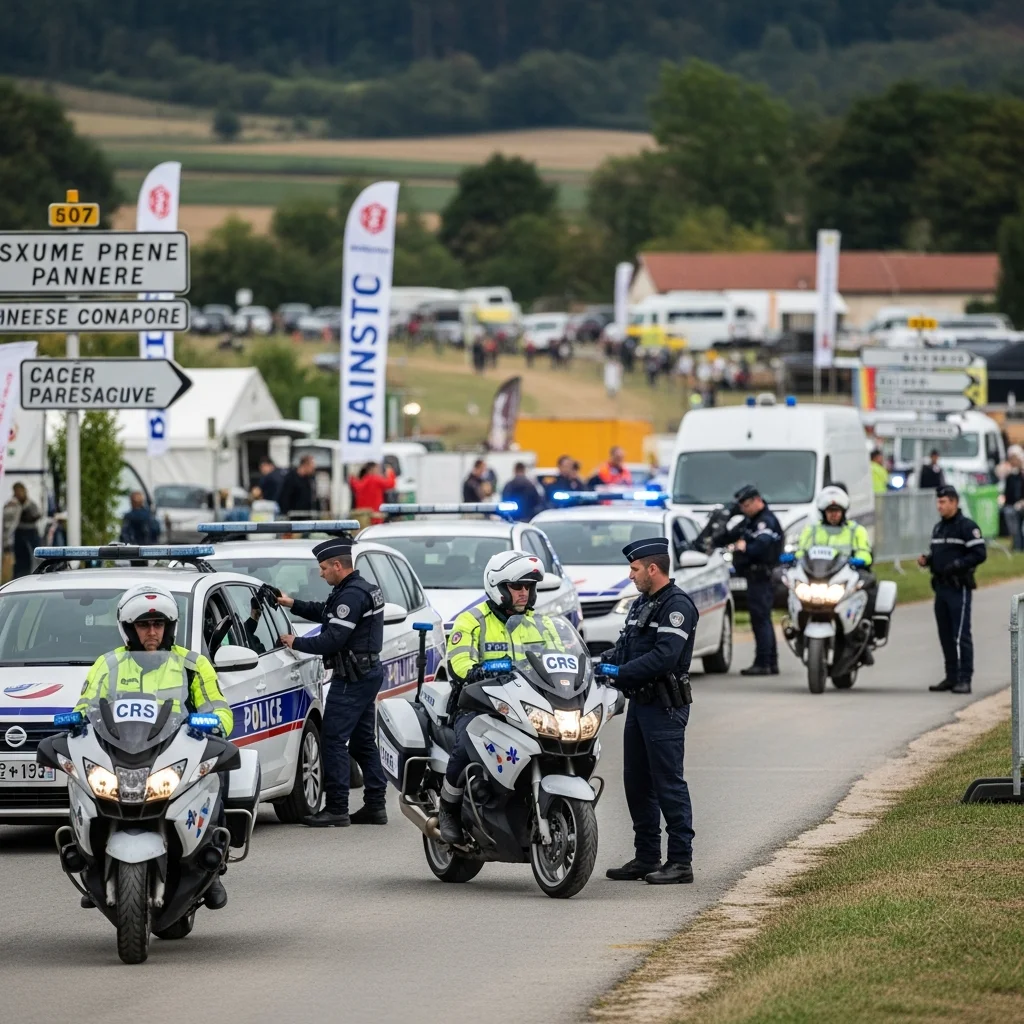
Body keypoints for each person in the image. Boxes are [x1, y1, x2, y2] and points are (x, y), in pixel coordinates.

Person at [75, 584, 233, 909]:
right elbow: (85, 706)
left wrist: (215, 721)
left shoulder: (192, 665)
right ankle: (91, 862)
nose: (152, 632)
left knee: (218, 766)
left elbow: (218, 706)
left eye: (158, 624)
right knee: (83, 782)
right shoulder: (108, 664)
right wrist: (74, 723)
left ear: (169, 627)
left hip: (177, 750)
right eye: (144, 625)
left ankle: (213, 866)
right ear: (129, 629)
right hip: (122, 750)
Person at [438, 551, 563, 845]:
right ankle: (448, 809)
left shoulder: (542, 624)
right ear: (498, 587)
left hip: (527, 705)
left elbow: (561, 657)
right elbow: (458, 663)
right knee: (464, 746)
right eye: (517, 587)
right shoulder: (472, 621)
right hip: (478, 705)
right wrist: (476, 670)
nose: (524, 593)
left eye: (529, 587)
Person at [596, 536, 697, 885]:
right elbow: (626, 648)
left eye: (635, 569)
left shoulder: (676, 605)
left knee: (667, 783)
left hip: (664, 707)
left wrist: (620, 673)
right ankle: (647, 856)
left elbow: (664, 657)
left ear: (653, 569)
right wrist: (599, 663)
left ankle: (681, 861)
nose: (631, 575)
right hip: (640, 705)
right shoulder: (642, 604)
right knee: (636, 782)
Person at [276, 536, 388, 826]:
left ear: (338, 565)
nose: (321, 572)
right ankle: (376, 805)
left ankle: (337, 808)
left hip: (353, 677)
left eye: (324, 567)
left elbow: (333, 638)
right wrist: (291, 603)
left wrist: (296, 641)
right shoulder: (353, 589)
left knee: (333, 739)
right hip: (365, 673)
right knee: (362, 742)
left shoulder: (351, 595)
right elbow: (326, 614)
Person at [795, 486, 878, 664]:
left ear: (844, 512)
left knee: (869, 587)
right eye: (830, 511)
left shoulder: (856, 530)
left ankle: (863, 635)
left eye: (837, 511)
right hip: (818, 576)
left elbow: (865, 552)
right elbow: (801, 552)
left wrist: (860, 559)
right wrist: (794, 558)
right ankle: (796, 629)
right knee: (791, 586)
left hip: (846, 574)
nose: (834, 515)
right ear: (823, 512)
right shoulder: (812, 530)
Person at [918, 484, 987, 694]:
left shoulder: (966, 527)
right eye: (938, 502)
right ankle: (951, 676)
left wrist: (958, 565)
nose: (939, 506)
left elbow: (979, 553)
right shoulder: (939, 528)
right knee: (945, 634)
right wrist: (927, 560)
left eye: (943, 502)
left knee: (960, 635)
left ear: (954, 503)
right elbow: (938, 553)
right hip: (941, 587)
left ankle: (965, 678)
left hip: (958, 588)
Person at [718, 484, 783, 676]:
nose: (744, 509)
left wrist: (744, 547)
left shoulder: (765, 521)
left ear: (757, 501)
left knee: (760, 619)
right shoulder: (750, 521)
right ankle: (769, 662)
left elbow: (760, 547)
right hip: (755, 576)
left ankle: (764, 662)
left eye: (746, 505)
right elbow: (728, 537)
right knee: (762, 619)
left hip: (762, 576)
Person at [10, 483, 40, 579]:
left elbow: (37, 515)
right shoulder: (13, 505)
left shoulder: (31, 504)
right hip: (19, 532)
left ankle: (34, 576)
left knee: (35, 557)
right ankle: (20, 577)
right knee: (20, 560)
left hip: (31, 531)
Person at [1002, 446, 1024, 551]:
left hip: (1021, 504)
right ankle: (1017, 545)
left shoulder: (1021, 475)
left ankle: (1019, 545)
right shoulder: (1010, 475)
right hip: (1011, 505)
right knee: (1009, 512)